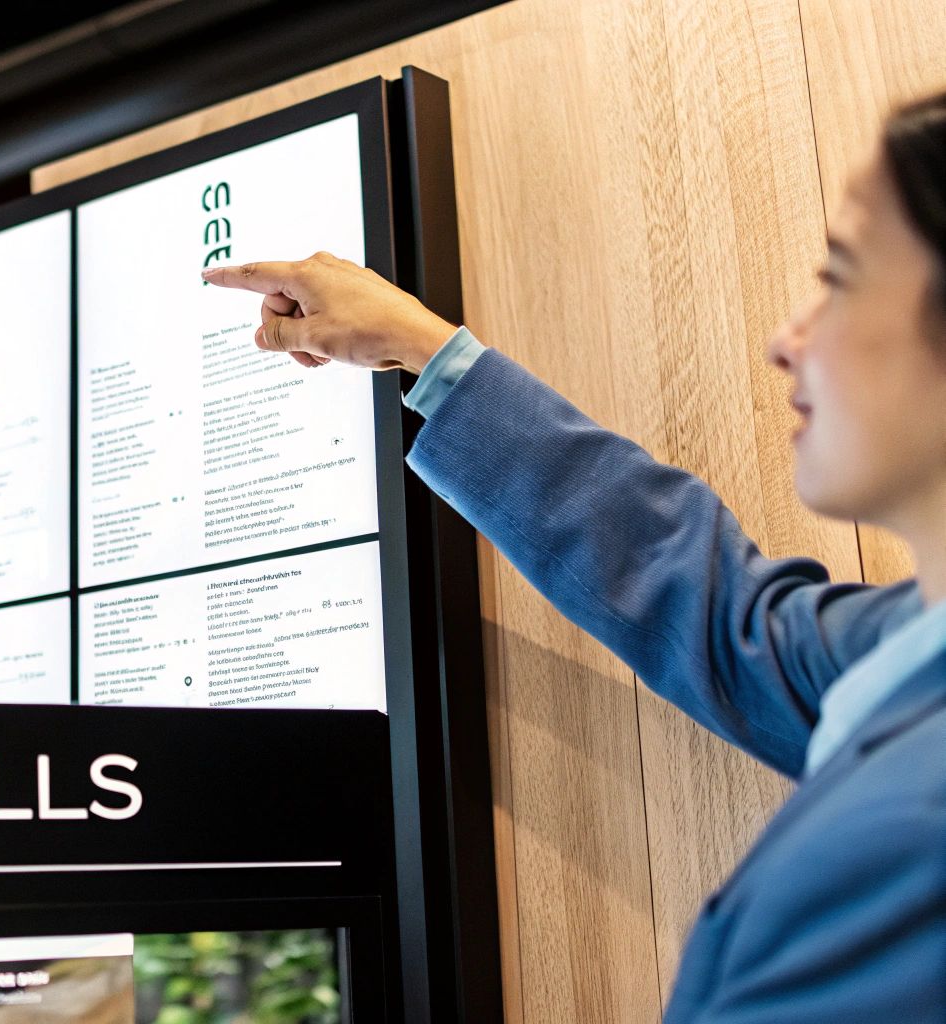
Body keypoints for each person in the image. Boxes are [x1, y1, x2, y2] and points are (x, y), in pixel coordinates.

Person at [205, 92, 946, 1021]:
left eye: (841, 277)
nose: (785, 341)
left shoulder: (922, 840)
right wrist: (425, 350)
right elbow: (721, 617)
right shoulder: (906, 658)